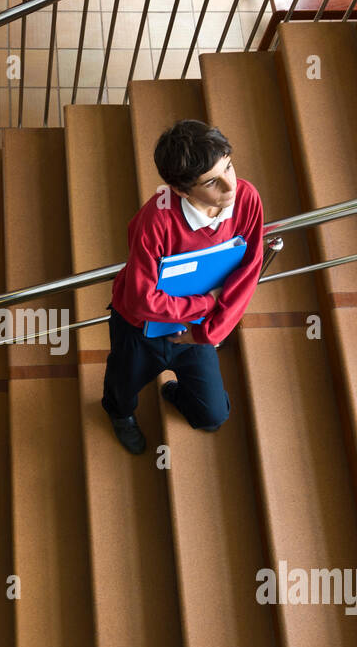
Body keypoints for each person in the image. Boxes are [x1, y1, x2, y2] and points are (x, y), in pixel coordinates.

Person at [101, 119, 265, 454]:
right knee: (122, 386)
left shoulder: (246, 198)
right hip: (140, 330)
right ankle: (120, 415)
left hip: (196, 331)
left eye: (229, 167)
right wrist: (206, 304)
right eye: (212, 182)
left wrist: (206, 333)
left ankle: (174, 391)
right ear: (180, 190)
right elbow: (141, 298)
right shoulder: (155, 221)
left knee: (212, 416)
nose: (230, 186)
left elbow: (249, 270)